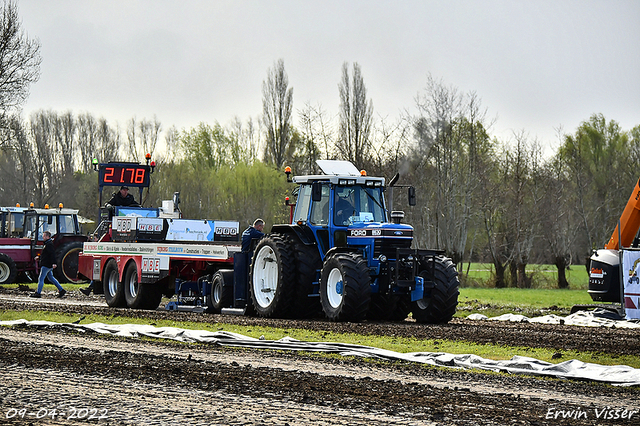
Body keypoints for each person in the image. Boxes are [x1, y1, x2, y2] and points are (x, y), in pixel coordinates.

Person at [30, 231, 66, 298]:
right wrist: (40, 257)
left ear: (47, 236)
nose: (43, 237)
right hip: (48, 264)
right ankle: (61, 290)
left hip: (46, 264)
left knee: (41, 278)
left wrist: (54, 263)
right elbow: (47, 255)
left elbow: (52, 254)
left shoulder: (48, 244)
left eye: (44, 236)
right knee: (51, 278)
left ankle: (38, 293)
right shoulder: (48, 244)